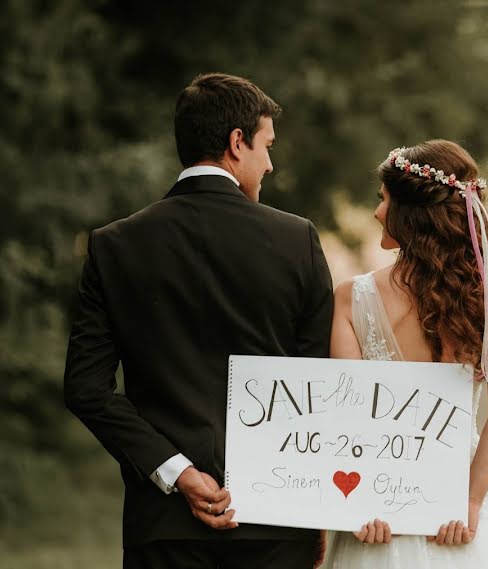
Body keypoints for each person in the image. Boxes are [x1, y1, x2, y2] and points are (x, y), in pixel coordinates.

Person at [63, 73, 333, 569]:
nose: (270, 163)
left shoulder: (115, 245)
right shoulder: (297, 240)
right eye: (267, 146)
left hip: (162, 528)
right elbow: (316, 383)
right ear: (237, 143)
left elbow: (87, 389)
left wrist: (177, 472)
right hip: (276, 523)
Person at [324, 140, 488, 568]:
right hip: (458, 499)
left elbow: (343, 413)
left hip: (379, 511)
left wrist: (362, 501)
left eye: (383, 200)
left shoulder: (353, 299)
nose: (376, 212)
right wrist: (471, 501)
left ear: (411, 213)